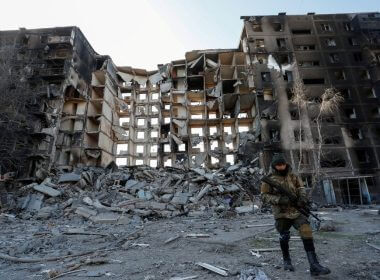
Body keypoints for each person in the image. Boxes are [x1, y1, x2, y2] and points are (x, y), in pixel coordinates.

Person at [260, 154, 330, 276]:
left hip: (297, 210)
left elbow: (301, 187)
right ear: (274, 166)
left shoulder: (293, 175)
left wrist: (302, 198)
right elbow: (264, 196)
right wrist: (280, 200)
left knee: (306, 231)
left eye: (282, 164)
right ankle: (287, 261)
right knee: (284, 236)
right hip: (281, 213)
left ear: (285, 164)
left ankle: (314, 265)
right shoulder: (269, 179)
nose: (281, 167)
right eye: (278, 165)